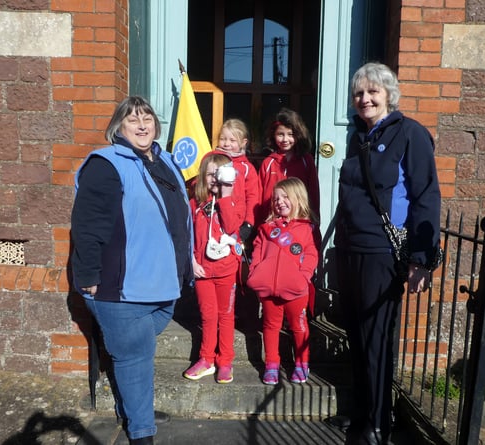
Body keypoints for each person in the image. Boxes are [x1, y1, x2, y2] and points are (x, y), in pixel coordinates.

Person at [70, 96, 192, 445]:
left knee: (137, 354)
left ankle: (135, 408)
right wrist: (89, 277)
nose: (142, 125)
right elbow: (88, 224)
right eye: (132, 120)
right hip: (121, 286)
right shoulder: (105, 164)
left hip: (164, 285)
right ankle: (141, 432)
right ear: (118, 129)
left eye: (147, 118)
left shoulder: (165, 161)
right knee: (135, 357)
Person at [335, 62, 441, 444]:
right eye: (359, 93)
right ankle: (362, 413)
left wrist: (420, 259)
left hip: (383, 253)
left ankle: (380, 424)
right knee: (358, 337)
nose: (364, 99)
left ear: (388, 95)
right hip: (350, 249)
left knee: (378, 339)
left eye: (372, 92)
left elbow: (426, 197)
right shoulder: (357, 137)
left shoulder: (410, 134)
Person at [247, 177, 319, 385]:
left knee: (298, 326)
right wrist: (254, 272)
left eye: (286, 197)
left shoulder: (308, 229)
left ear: (299, 198)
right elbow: (258, 252)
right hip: (268, 288)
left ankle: (301, 363)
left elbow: (312, 255)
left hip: (296, 290)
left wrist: (303, 276)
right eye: (276, 198)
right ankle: (271, 364)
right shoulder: (267, 228)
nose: (280, 202)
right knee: (270, 326)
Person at [183, 153, 245, 384]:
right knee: (208, 316)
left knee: (226, 316)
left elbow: (231, 226)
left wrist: (225, 195)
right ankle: (206, 358)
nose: (215, 180)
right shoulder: (194, 204)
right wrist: (191, 261)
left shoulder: (233, 202)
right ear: (202, 176)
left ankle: (225, 360)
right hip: (202, 271)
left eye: (220, 175)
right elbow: (186, 237)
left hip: (226, 270)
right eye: (211, 175)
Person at [257, 108, 320, 227]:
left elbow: (313, 192)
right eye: (280, 134)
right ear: (273, 135)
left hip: (299, 223)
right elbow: (259, 196)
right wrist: (259, 225)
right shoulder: (268, 163)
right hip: (272, 224)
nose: (285, 139)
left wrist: (315, 220)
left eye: (290, 134)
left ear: (298, 135)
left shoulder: (306, 161)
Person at [214, 118, 260, 245]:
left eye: (232, 140)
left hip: (236, 221)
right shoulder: (211, 159)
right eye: (223, 139)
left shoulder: (247, 168)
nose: (227, 144)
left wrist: (249, 223)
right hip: (213, 216)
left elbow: (252, 197)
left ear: (243, 142)